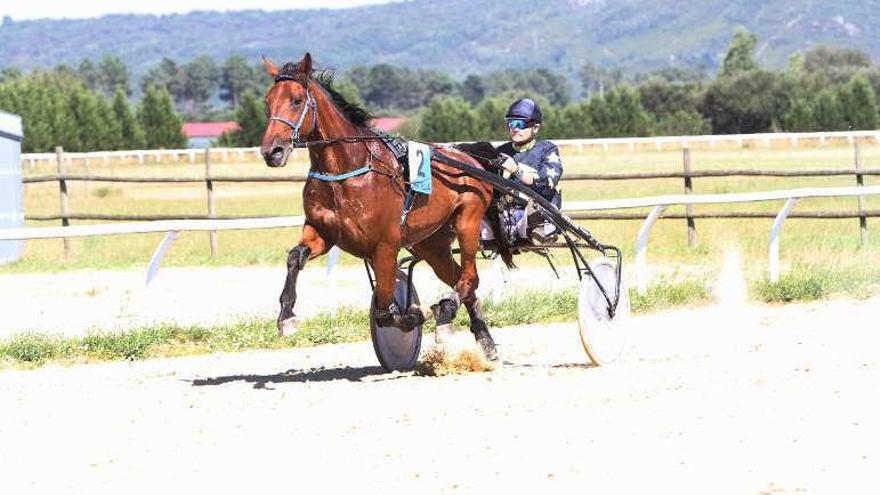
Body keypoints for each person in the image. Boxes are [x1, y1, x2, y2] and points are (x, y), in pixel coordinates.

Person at [491, 98, 563, 244]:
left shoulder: (548, 150)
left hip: (539, 215)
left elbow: (544, 186)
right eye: (511, 123)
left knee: (533, 216)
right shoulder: (501, 151)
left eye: (519, 124)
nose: (514, 128)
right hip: (507, 215)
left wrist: (516, 170)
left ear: (535, 128)